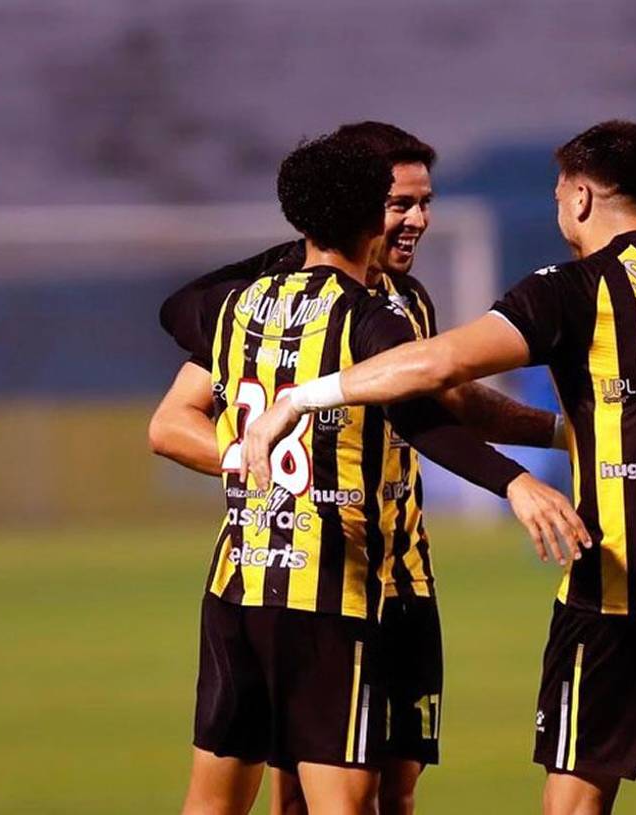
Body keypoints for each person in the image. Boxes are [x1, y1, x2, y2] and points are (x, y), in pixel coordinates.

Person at [241, 120, 636, 815]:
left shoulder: (577, 287)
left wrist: (306, 395)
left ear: (582, 196)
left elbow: (440, 363)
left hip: (625, 587)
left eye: (560, 195)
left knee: (576, 795)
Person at [151, 122, 570, 815]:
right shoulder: (367, 317)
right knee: (339, 797)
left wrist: (558, 435)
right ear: (364, 212)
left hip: (269, 579)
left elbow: (175, 309)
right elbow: (420, 416)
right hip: (334, 586)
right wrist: (513, 479)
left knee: (257, 798)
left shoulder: (239, 306)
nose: (415, 219)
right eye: (397, 203)